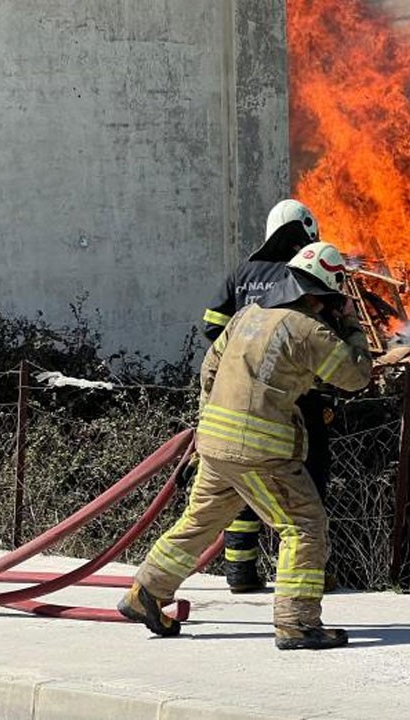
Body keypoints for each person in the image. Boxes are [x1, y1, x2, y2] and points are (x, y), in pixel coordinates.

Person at [120, 242, 372, 650]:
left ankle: (145, 592)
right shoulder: (309, 330)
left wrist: (206, 429)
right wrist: (351, 327)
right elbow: (355, 375)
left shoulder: (246, 316)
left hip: (216, 443)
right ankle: (297, 624)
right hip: (261, 451)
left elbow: (209, 369)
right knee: (305, 525)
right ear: (320, 295)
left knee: (201, 520)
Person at [201, 199, 339, 594]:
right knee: (303, 485)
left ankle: (240, 570)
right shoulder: (299, 276)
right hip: (296, 399)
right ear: (306, 234)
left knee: (241, 482)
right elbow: (317, 338)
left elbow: (211, 325)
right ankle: (308, 573)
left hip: (240, 396)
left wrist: (238, 359)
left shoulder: (242, 272)